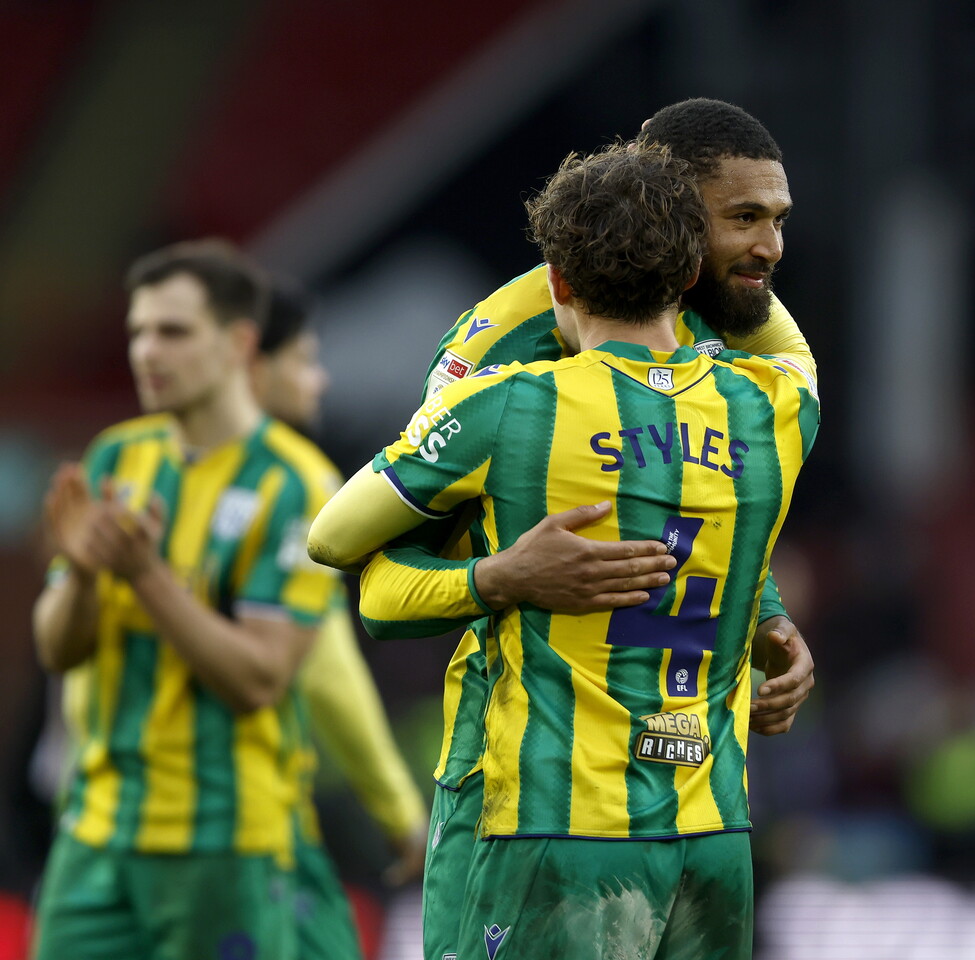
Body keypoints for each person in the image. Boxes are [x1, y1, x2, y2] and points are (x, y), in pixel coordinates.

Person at [308, 142, 819, 959]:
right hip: (712, 831)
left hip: (552, 829)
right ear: (690, 274)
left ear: (558, 281)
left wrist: (500, 576)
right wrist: (772, 617)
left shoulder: (507, 405)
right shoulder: (776, 405)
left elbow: (330, 539)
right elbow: (778, 339)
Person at [31, 239, 340, 960]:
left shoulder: (298, 484)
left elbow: (259, 680)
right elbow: (57, 648)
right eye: (137, 331)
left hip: (224, 841)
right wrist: (79, 575)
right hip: (95, 829)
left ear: (237, 342)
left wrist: (145, 576)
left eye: (171, 331)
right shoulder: (117, 456)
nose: (146, 352)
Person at [250, 280, 430, 958]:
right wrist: (400, 813)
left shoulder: (125, 464)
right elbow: (323, 667)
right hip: (243, 824)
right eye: (304, 359)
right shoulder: (296, 482)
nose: (320, 380)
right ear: (247, 359)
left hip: (101, 823)